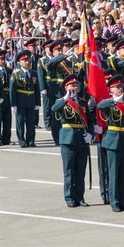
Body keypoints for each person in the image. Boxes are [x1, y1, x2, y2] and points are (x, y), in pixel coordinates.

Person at [52, 74, 93, 207]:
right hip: (68, 138)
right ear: (66, 87)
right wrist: (65, 98)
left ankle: (80, 197)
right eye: (71, 85)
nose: (74, 87)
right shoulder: (62, 101)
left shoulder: (82, 102)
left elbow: (90, 120)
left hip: (81, 138)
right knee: (69, 170)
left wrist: (90, 134)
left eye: (76, 85)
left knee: (80, 171)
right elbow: (54, 109)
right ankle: (69, 198)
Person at [98, 75, 124, 213]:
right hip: (112, 141)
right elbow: (100, 106)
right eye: (116, 87)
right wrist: (114, 101)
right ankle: (115, 202)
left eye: (120, 87)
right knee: (113, 174)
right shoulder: (108, 102)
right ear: (110, 89)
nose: (119, 89)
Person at [10, 50, 40, 147]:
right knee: (20, 122)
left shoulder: (34, 73)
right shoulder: (16, 73)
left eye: (28, 60)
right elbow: (12, 90)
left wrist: (38, 102)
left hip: (31, 100)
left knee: (31, 123)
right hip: (20, 100)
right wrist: (13, 104)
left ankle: (31, 140)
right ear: (19, 62)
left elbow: (37, 89)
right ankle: (22, 141)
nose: (27, 62)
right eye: (24, 60)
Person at [0, 50, 12, 146]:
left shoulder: (9, 71)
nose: (3, 61)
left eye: (4, 59)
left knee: (7, 119)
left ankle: (6, 138)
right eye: (0, 59)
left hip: (8, 96)